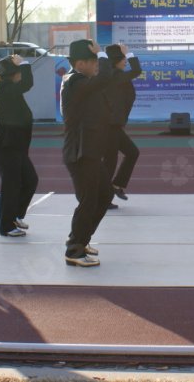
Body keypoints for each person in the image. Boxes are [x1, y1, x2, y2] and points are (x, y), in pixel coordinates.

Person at [61, 39, 116, 267]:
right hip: (80, 152)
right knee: (88, 202)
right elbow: (106, 77)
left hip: (90, 150)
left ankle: (81, 240)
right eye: (93, 61)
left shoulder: (84, 81)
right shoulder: (75, 81)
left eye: (97, 61)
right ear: (80, 63)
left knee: (104, 195)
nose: (96, 66)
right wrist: (102, 53)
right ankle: (74, 249)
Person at [0, 54, 38, 237]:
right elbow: (27, 84)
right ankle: (6, 226)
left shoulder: (9, 88)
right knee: (11, 185)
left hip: (16, 148)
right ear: (13, 74)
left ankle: (15, 215)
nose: (21, 75)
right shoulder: (6, 88)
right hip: (6, 148)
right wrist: (24, 63)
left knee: (30, 180)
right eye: (18, 71)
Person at [103, 43, 142, 206]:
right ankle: (104, 197)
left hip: (114, 125)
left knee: (131, 153)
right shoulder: (114, 75)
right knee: (110, 162)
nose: (125, 61)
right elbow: (137, 71)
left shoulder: (117, 75)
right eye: (123, 58)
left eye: (126, 58)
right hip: (109, 126)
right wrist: (130, 53)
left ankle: (114, 187)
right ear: (116, 60)